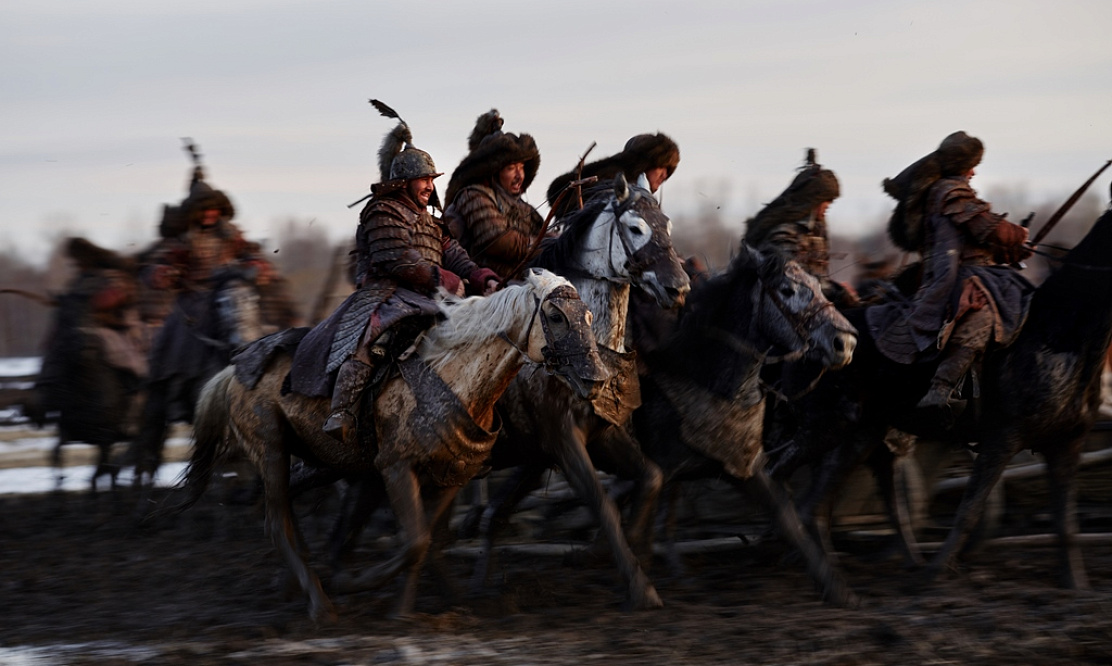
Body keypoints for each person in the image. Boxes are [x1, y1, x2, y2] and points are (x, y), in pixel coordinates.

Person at [289, 121, 499, 443]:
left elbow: (454, 254)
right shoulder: (383, 210)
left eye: (431, 179)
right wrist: (441, 278)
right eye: (423, 179)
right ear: (403, 182)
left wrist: (481, 277)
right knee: (375, 337)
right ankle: (341, 411)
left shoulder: (431, 220)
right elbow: (398, 259)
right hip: (385, 293)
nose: (429, 186)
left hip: (429, 294)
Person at [867, 131, 1034, 420]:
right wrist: (1017, 234)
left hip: (978, 270)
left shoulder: (952, 190)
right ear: (961, 165)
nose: (974, 171)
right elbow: (986, 227)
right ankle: (941, 387)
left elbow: (978, 240)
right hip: (955, 276)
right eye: (971, 165)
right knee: (983, 315)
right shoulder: (949, 191)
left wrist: (1012, 252)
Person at [743, 149, 856, 307]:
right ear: (814, 200)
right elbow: (794, 282)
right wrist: (837, 292)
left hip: (814, 307)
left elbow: (818, 278)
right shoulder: (784, 233)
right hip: (788, 312)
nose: (829, 205)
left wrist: (838, 290)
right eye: (827, 200)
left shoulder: (816, 232)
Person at [441, 109, 544, 281]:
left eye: (522, 167)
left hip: (520, 285)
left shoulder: (525, 208)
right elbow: (499, 241)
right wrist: (544, 244)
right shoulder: (473, 196)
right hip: (483, 290)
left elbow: (544, 234)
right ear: (494, 171)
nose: (519, 175)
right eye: (511, 168)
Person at [546, 132, 680, 218]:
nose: (664, 175)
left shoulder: (645, 200)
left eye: (668, 170)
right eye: (661, 167)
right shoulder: (608, 182)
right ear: (644, 164)